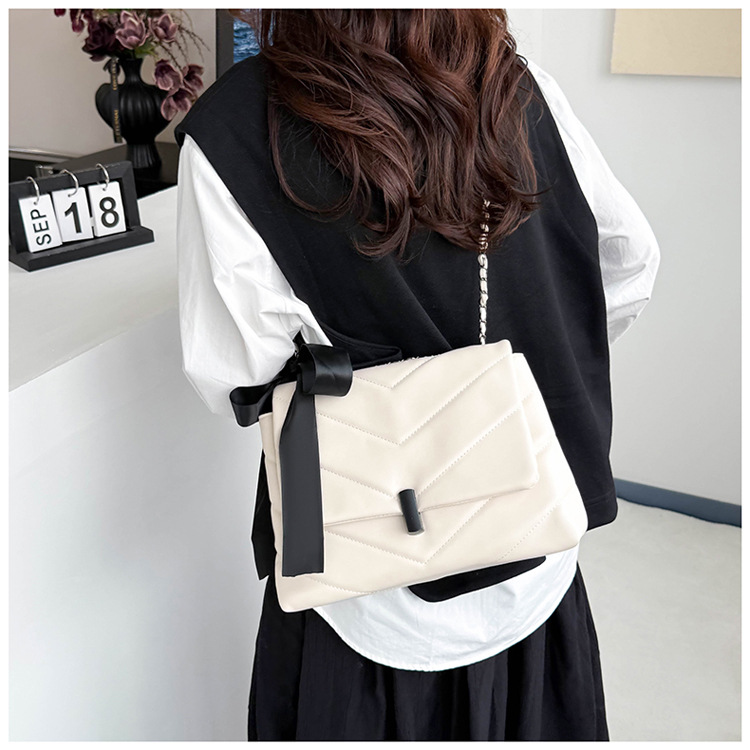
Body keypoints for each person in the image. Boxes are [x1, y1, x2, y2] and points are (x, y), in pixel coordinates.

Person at [174, 10, 660, 741]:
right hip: (532, 542)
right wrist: (507, 384)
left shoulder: (234, 127)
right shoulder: (515, 83)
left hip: (367, 582)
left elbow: (232, 370)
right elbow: (627, 266)